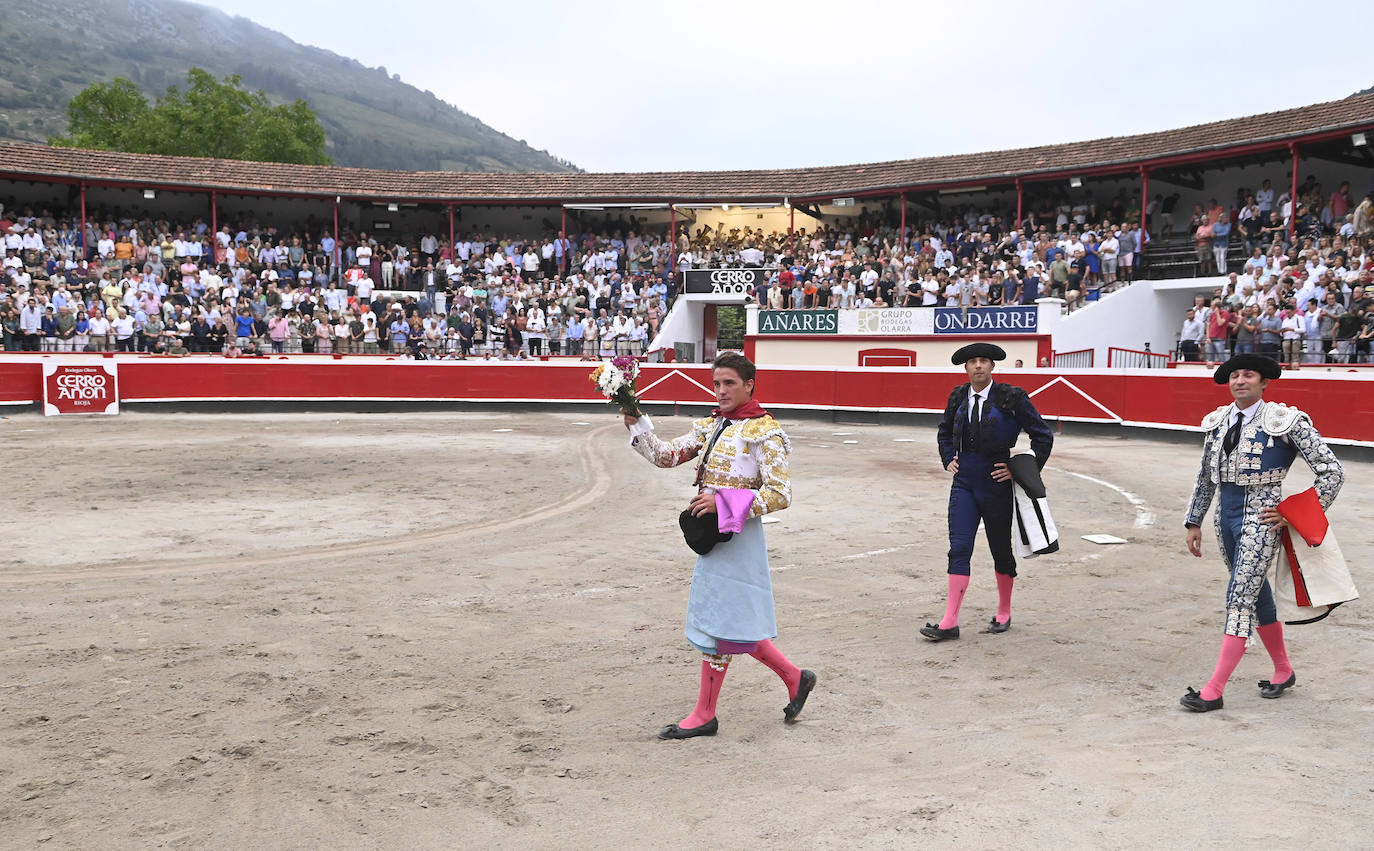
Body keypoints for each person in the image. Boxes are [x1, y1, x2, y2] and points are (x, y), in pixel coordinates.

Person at [623, 351, 815, 739]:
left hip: (739, 536)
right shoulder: (712, 425)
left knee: (719, 622)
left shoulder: (765, 432)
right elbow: (666, 456)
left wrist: (724, 501)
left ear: (749, 386)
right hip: (714, 535)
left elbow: (781, 493)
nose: (721, 390)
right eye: (716, 383)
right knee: (728, 621)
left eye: (729, 383)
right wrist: (637, 422)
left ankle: (705, 714)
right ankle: (794, 678)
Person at [1180, 355, 1343, 712]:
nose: (1240, 381)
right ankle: (1283, 670)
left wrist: (1295, 516)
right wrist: (1194, 521)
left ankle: (1214, 689)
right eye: (1235, 375)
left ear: (1264, 382)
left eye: (1248, 375)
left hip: (1262, 518)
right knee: (1255, 592)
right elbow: (1206, 476)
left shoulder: (1287, 421)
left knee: (1239, 596)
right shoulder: (1218, 421)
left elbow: (1331, 471)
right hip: (1226, 518)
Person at [922, 343, 1054, 641]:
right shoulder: (958, 396)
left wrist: (1019, 469)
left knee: (1000, 548)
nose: (978, 366)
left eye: (984, 361)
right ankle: (949, 622)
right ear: (966, 368)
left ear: (992, 367)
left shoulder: (1011, 397)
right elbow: (944, 431)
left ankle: (1004, 611)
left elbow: (1042, 435)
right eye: (973, 362)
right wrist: (948, 458)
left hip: (996, 481)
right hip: (965, 481)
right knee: (959, 547)